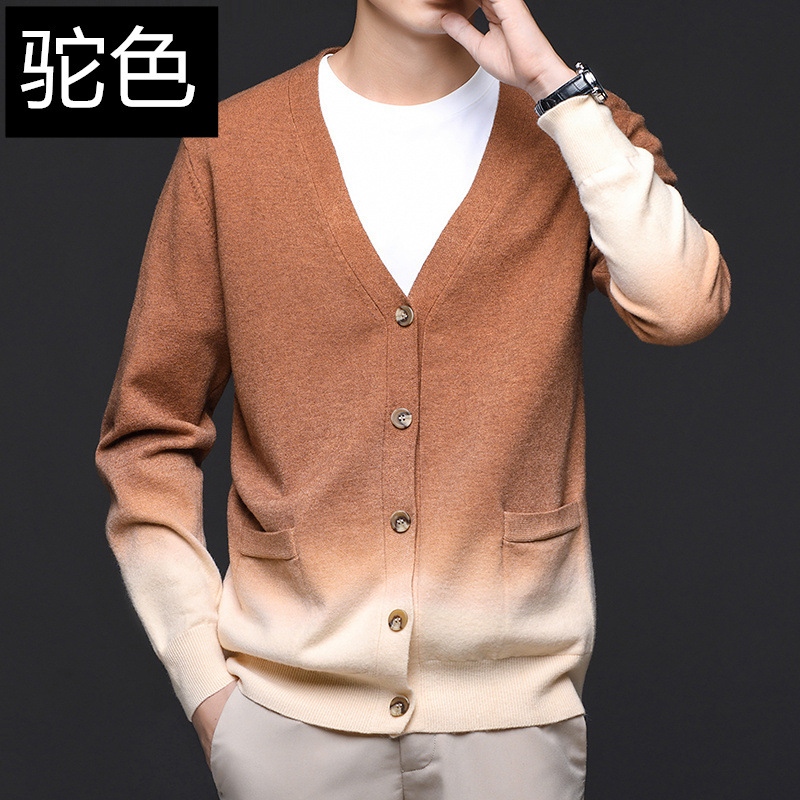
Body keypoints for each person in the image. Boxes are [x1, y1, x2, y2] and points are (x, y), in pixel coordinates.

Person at [94, 1, 731, 798]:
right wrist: (206, 687)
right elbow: (147, 433)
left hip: (512, 728)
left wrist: (554, 89)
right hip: (286, 726)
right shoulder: (232, 148)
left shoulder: (576, 126)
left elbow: (683, 305)